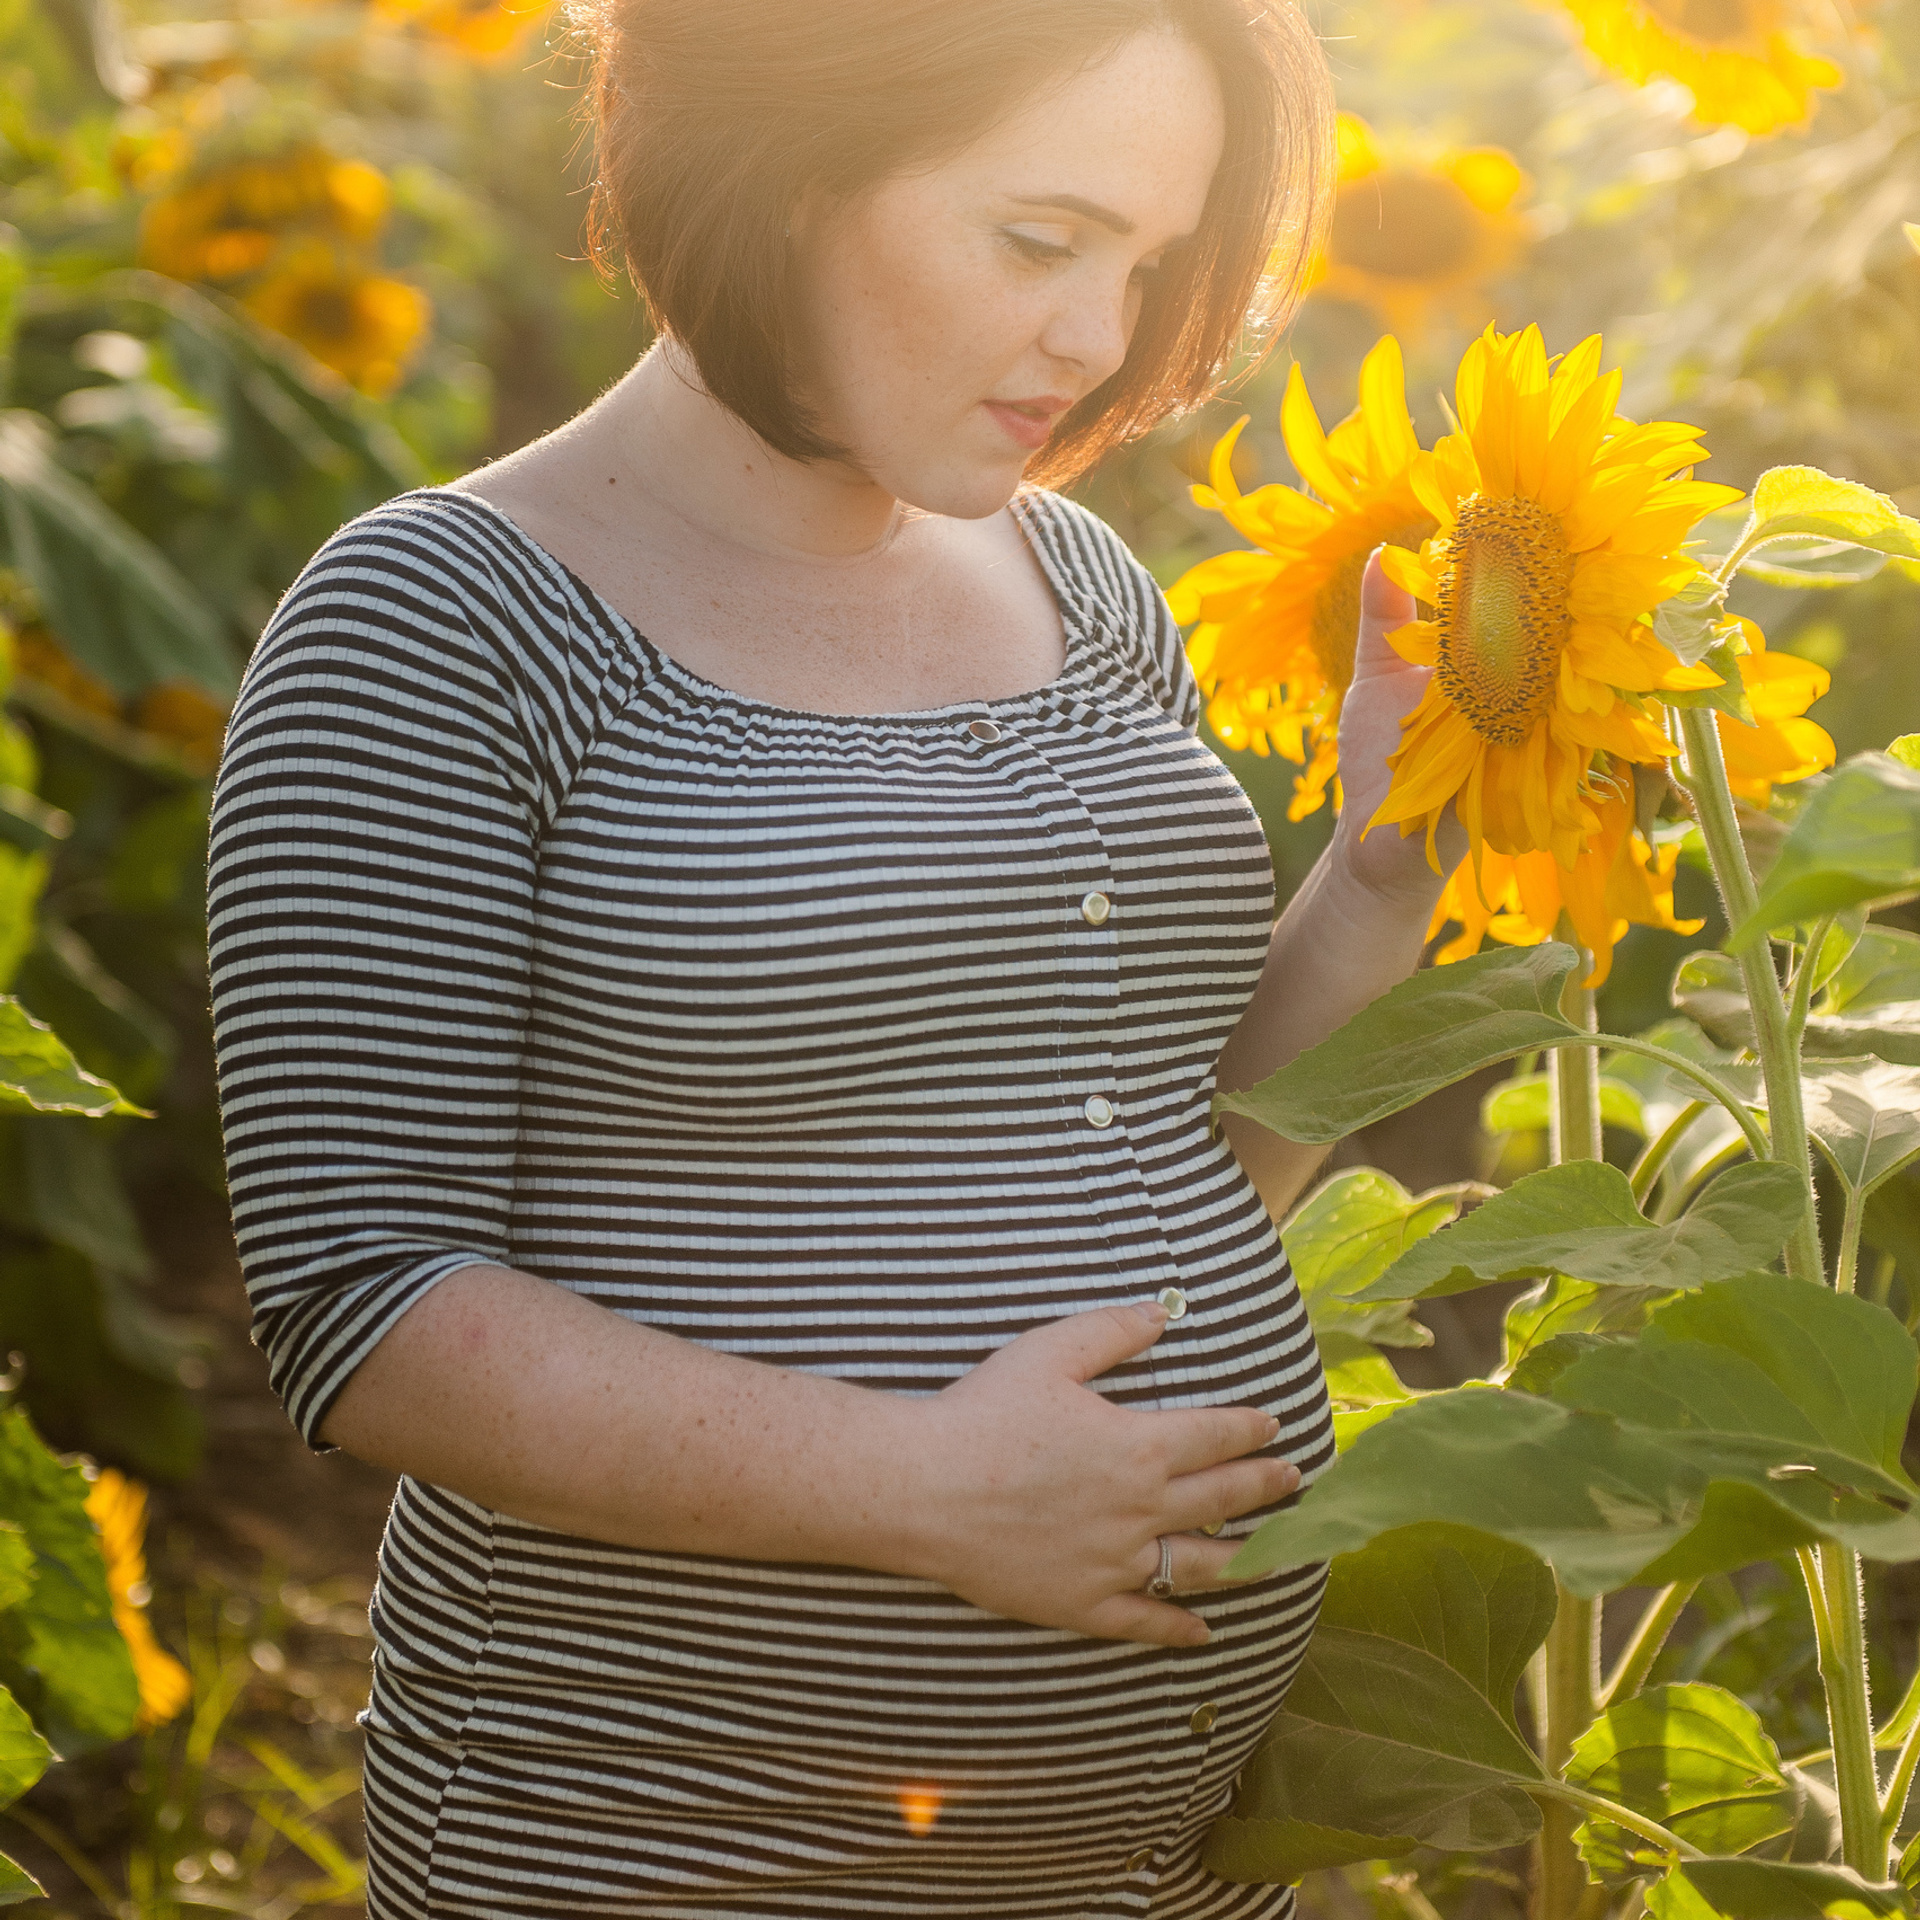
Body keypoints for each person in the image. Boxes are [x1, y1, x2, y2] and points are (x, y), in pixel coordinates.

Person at [207, 2, 1458, 1912]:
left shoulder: (1078, 578)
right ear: (784, 163)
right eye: (1041, 241)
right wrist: (921, 1492)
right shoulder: (436, 624)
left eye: (1145, 260)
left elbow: (1146, 1156)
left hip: (1175, 1868)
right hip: (674, 1852)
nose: (1100, 340)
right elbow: (358, 1298)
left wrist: (1370, 892)